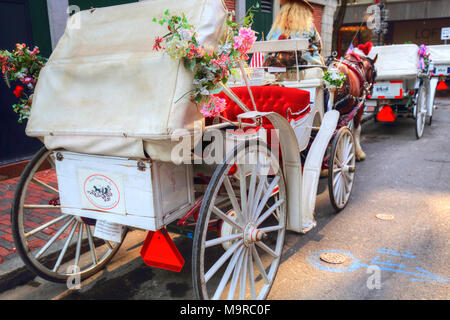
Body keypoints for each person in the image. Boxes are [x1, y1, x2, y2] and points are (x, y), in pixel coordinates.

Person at [264, 0, 324, 68]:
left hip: (275, 71)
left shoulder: (274, 30)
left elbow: (266, 51)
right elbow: (319, 47)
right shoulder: (309, 27)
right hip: (308, 69)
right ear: (304, 12)